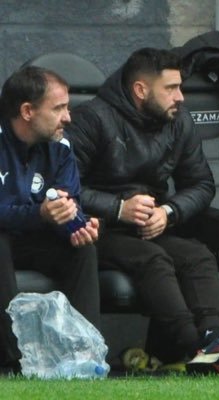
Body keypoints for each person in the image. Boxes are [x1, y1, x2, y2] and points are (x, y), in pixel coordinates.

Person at [67, 47, 219, 374]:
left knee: (197, 254)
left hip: (150, 226)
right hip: (98, 229)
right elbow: (64, 188)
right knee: (154, 259)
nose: (181, 97)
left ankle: (215, 339)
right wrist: (118, 208)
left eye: (181, 87)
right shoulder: (93, 119)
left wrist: (169, 212)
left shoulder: (177, 122)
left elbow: (201, 184)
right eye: (171, 88)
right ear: (140, 90)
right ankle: (193, 346)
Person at [0, 66, 101, 373]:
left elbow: (68, 201)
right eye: (58, 108)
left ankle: (86, 354)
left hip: (33, 236)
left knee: (82, 248)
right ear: (27, 111)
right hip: (5, 239)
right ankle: (13, 359)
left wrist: (77, 225)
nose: (68, 117)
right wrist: (40, 213)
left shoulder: (61, 147)